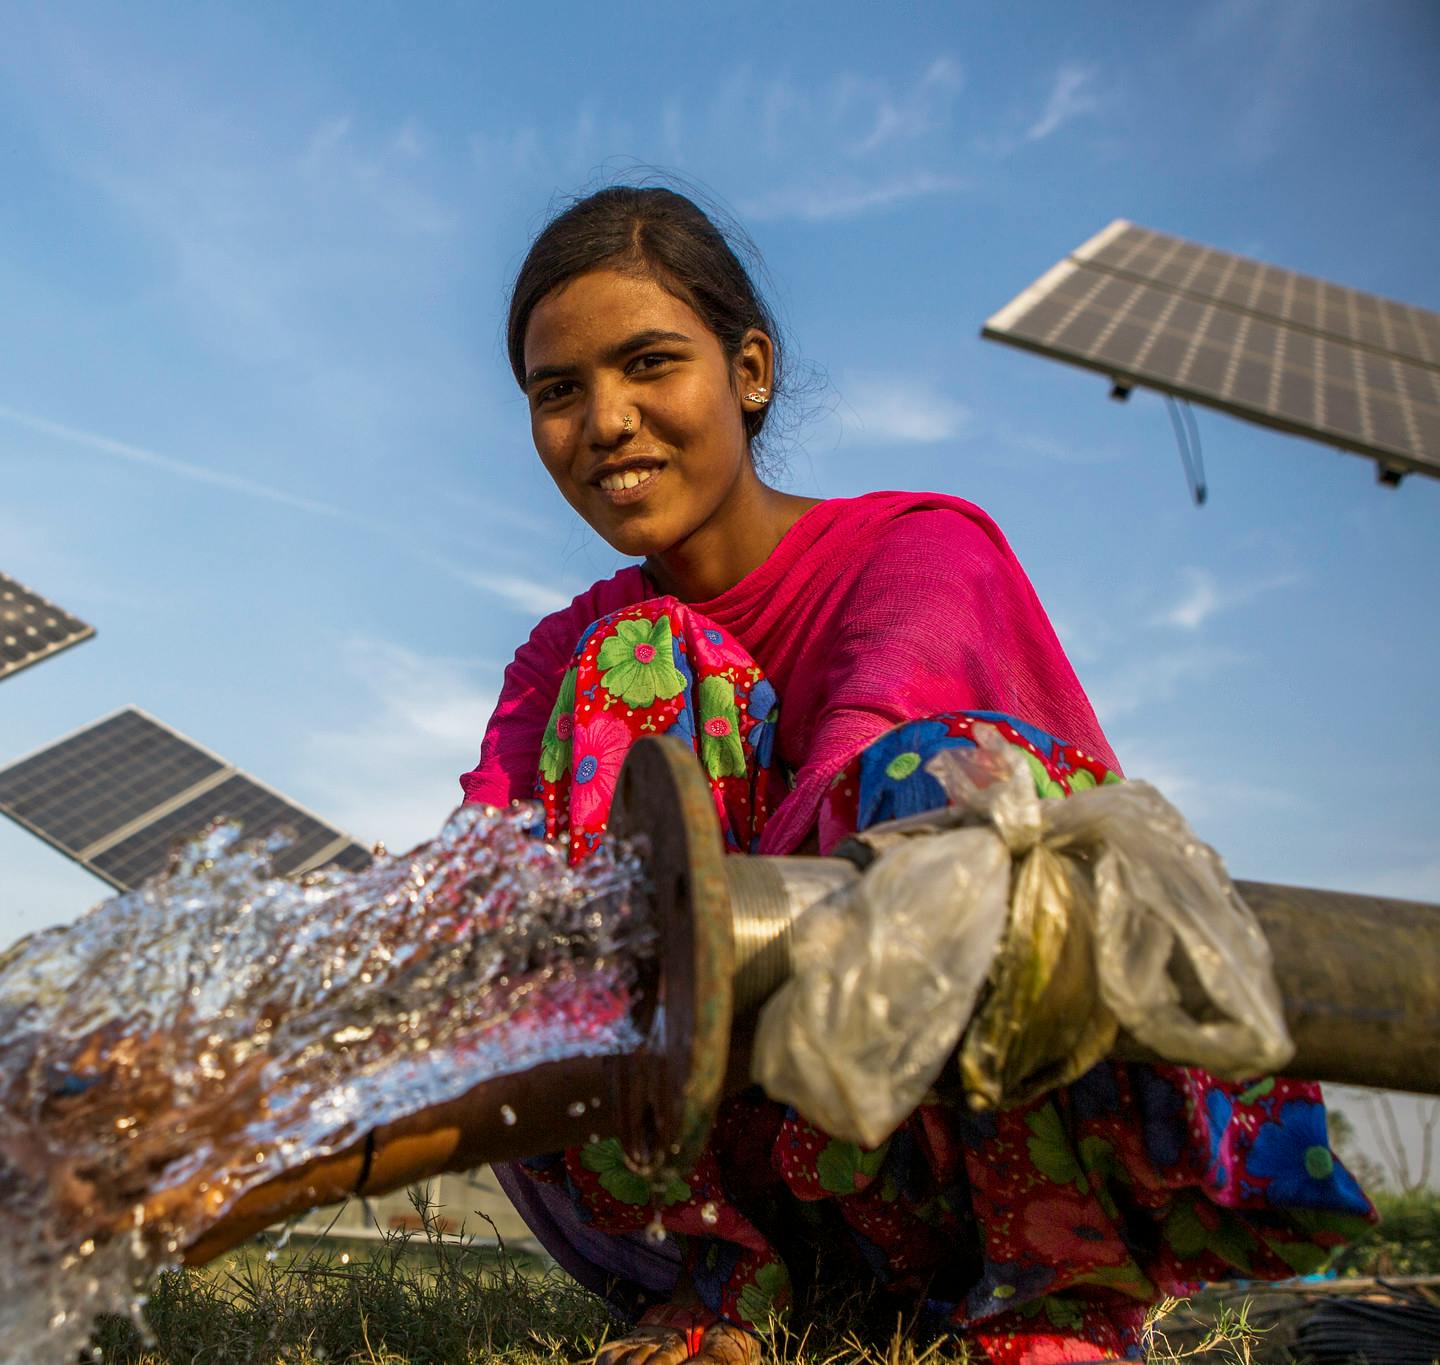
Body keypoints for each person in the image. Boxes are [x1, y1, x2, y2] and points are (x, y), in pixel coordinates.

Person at [458, 186, 1372, 1365]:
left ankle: (1050, 1305)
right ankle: (721, 1287)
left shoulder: (920, 551)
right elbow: (475, 871)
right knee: (508, 882)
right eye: (557, 392)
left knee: (944, 789)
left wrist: (687, 918)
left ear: (747, 369)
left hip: (947, 1148)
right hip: (745, 1176)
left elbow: (868, 774)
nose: (607, 421)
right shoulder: (561, 655)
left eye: (648, 364)